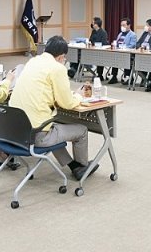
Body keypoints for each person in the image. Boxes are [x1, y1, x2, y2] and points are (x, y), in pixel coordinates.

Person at [9, 35, 98, 181]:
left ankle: (74, 166)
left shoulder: (32, 61)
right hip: (35, 135)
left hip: (15, 131)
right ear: (61, 56)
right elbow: (67, 103)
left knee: (53, 128)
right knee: (81, 130)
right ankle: (82, 168)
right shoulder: (57, 68)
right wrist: (78, 95)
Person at [107, 17, 137, 84]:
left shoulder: (132, 35)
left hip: (127, 54)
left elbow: (132, 45)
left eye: (124, 25)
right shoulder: (120, 34)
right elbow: (117, 43)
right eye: (121, 25)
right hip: (119, 52)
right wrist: (114, 44)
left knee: (126, 59)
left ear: (128, 25)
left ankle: (129, 78)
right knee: (114, 58)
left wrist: (123, 48)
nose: (122, 27)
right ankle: (114, 76)